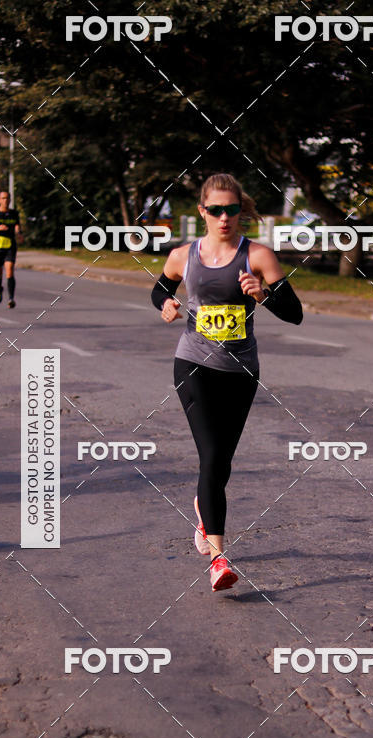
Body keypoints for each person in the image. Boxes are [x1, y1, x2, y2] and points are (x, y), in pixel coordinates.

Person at [151, 173, 303, 592]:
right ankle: (219, 558)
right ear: (202, 212)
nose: (223, 218)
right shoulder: (184, 255)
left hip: (240, 371)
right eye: (215, 210)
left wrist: (264, 294)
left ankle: (204, 504)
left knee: (220, 463)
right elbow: (159, 288)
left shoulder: (258, 256)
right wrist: (166, 302)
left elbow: (296, 314)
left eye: (231, 210)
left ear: (240, 212)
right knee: (213, 454)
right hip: (193, 365)